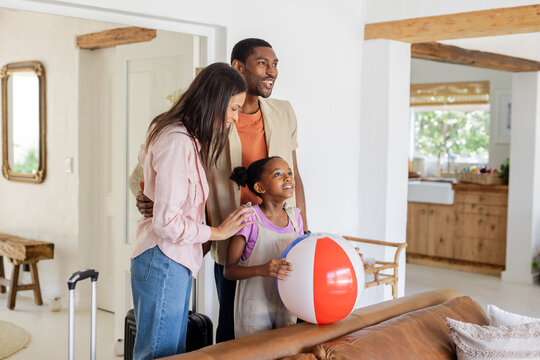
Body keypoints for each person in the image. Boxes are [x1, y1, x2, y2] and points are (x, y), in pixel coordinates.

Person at [133, 38, 308, 342]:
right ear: (238, 68)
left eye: (275, 63)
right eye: (262, 63)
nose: (272, 71)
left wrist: (303, 231)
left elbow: (296, 173)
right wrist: (149, 196)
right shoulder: (188, 133)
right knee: (227, 325)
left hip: (275, 234)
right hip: (224, 238)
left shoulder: (282, 113)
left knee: (280, 324)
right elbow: (150, 173)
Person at [130, 63, 254, 360]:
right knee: (160, 354)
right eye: (234, 108)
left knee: (171, 351)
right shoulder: (177, 142)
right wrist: (219, 231)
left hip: (170, 259)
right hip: (164, 258)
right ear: (216, 99)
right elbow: (167, 223)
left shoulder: (178, 135)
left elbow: (153, 186)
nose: (236, 118)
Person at [225, 156, 303, 337]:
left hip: (287, 305)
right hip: (254, 310)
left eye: (289, 173)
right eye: (278, 174)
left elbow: (305, 256)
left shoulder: (295, 218)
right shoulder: (247, 218)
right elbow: (229, 271)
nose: (288, 178)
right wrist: (263, 269)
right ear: (260, 187)